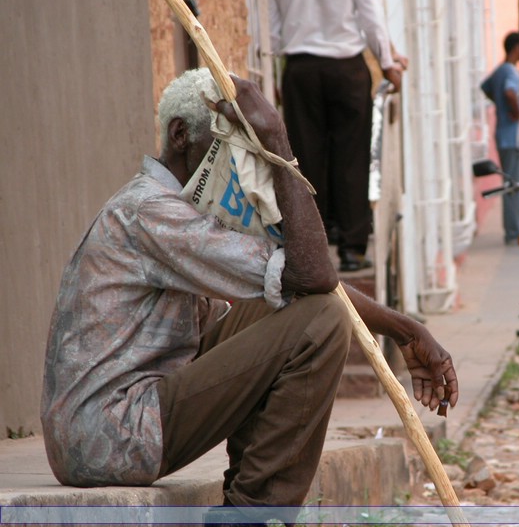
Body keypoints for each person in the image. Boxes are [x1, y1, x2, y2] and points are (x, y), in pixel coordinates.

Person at [40, 69, 459, 526]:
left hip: (127, 418)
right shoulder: (150, 210)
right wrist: (278, 141)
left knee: (289, 307)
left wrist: (405, 330)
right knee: (322, 321)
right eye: (233, 150)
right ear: (181, 135)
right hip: (110, 434)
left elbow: (296, 283)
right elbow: (312, 275)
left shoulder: (174, 211)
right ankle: (252, 516)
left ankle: (247, 500)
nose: (241, 168)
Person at [266, 0, 404, 272]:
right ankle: (353, 248)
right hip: (347, 69)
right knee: (352, 157)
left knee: (305, 157)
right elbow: (371, 17)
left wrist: (277, 75)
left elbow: (272, 29)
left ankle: (314, 247)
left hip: (300, 69)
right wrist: (387, 63)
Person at [480, 32, 519, 244]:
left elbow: (486, 87)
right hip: (511, 135)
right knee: (515, 184)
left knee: (510, 182)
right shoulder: (511, 72)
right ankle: (516, 230)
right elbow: (510, 92)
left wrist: (499, 103)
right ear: (517, 48)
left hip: (503, 134)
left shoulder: (500, 70)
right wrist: (516, 111)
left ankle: (514, 228)